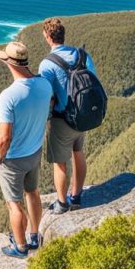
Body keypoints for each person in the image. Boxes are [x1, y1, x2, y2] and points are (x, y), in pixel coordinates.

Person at [0, 41, 53, 258]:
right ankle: (34, 235)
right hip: (34, 151)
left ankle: (20, 247)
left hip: (14, 157)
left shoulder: (8, 96)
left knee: (14, 205)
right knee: (33, 193)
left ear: (8, 63)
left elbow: (5, 136)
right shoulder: (45, 84)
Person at [39, 17, 97, 214]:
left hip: (61, 119)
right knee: (78, 153)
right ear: (63, 34)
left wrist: (43, 119)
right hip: (82, 116)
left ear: (47, 36)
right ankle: (77, 196)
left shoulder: (47, 64)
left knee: (60, 163)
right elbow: (93, 80)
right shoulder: (82, 55)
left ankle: (62, 203)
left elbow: (46, 95)